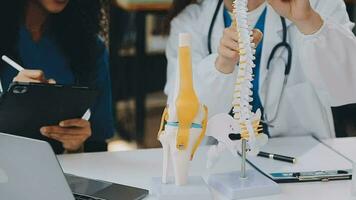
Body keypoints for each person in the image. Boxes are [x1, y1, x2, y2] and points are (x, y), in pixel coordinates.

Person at [165, 0, 356, 139]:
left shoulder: (316, 4)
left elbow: (348, 87)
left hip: (303, 159)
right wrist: (222, 65)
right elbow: (181, 116)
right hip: (218, 160)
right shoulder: (189, 22)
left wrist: (309, 22)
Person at [0, 0, 115, 153]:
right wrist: (11, 107)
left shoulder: (91, 49)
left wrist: (76, 147)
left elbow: (98, 144)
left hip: (61, 172)